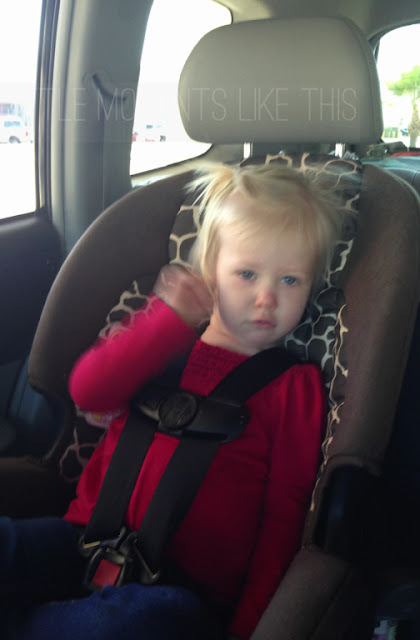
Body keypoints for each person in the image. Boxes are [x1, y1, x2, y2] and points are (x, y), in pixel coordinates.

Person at [1, 163, 341, 640]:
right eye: (247, 274)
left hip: (182, 594)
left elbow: (284, 518)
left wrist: (250, 628)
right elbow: (88, 391)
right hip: (82, 543)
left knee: (125, 623)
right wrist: (165, 321)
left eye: (290, 280)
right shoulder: (164, 341)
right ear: (210, 273)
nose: (267, 298)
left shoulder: (294, 385)